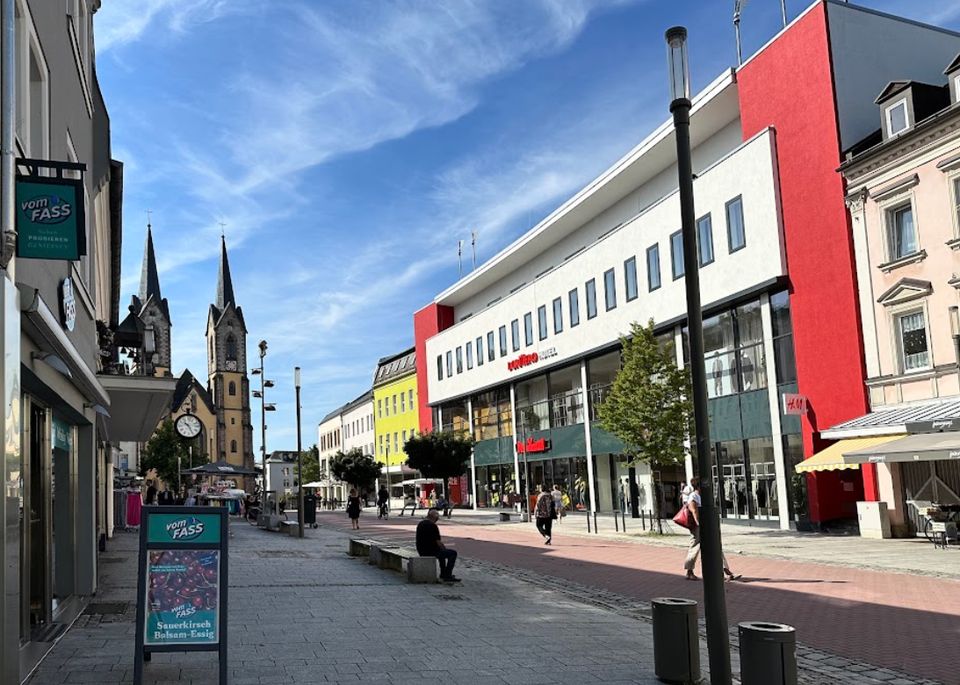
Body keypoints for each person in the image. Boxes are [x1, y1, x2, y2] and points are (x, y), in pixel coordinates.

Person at [683, 478, 741, 581]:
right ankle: (689, 571)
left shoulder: (703, 496)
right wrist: (699, 524)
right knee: (695, 547)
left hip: (707, 525)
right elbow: (694, 511)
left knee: (716, 547)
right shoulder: (694, 496)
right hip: (699, 526)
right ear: (699, 486)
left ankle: (726, 571)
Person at [416, 508, 459, 582]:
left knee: (441, 552)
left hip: (421, 550)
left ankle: (443, 573)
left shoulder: (421, 524)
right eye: (437, 517)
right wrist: (444, 549)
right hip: (430, 552)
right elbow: (438, 542)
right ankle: (447, 575)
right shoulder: (433, 526)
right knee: (452, 553)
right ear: (435, 518)